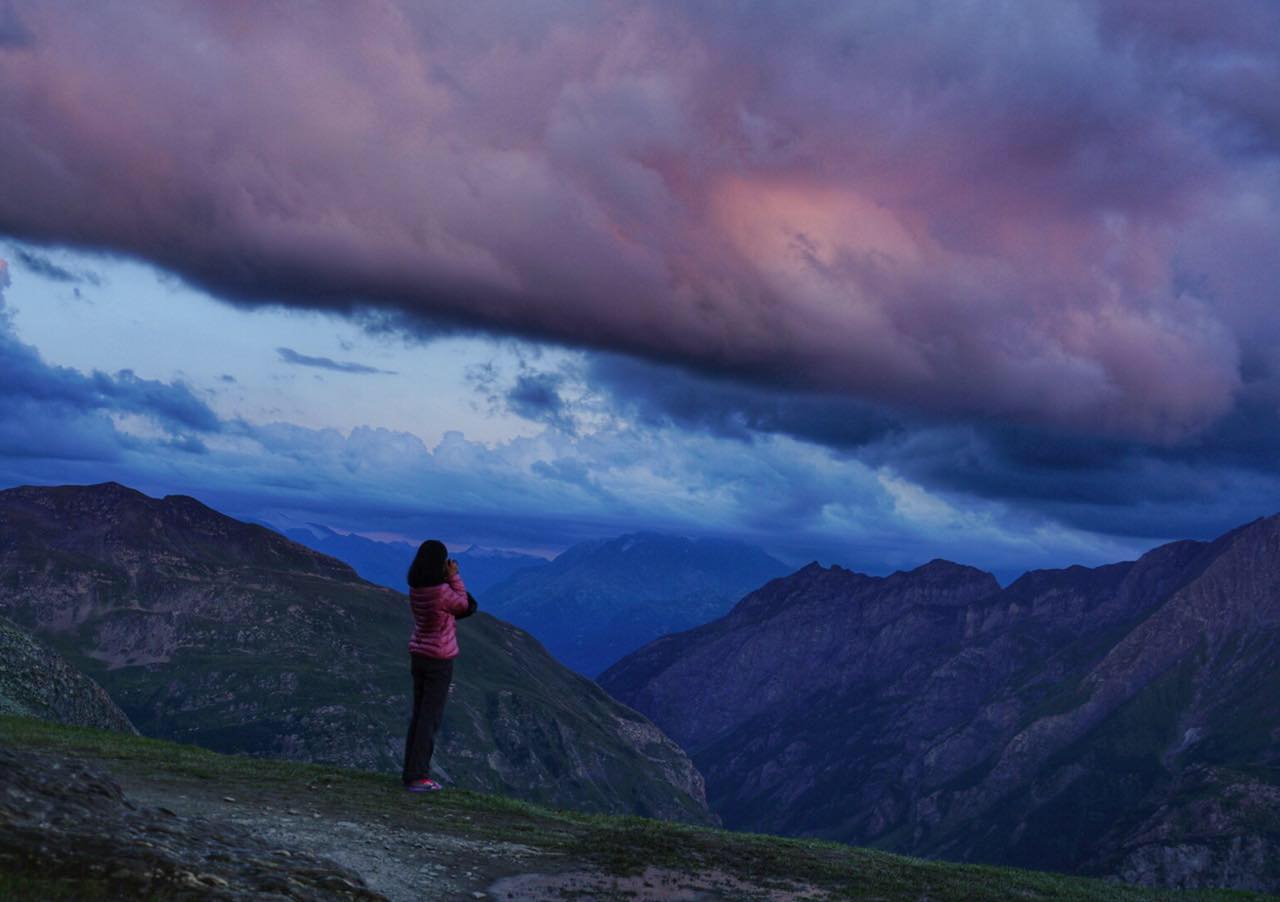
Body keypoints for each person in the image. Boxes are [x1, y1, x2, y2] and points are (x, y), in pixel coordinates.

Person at [402, 539, 476, 792]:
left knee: (419, 715)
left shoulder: (417, 587)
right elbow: (465, 605)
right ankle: (418, 776)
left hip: (419, 655)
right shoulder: (441, 591)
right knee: (429, 719)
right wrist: (454, 577)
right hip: (439, 659)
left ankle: (410, 772)